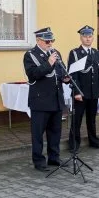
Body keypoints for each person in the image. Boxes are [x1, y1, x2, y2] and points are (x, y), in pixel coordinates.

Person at [24, 27, 69, 171]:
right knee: (38, 134)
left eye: (52, 40)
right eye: (47, 41)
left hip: (56, 99)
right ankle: (39, 161)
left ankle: (54, 158)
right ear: (38, 40)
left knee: (55, 132)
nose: (50, 43)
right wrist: (49, 63)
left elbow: (61, 72)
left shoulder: (56, 53)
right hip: (40, 101)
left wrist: (66, 78)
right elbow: (33, 74)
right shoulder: (30, 55)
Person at [67, 25, 99, 152]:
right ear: (81, 38)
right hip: (81, 93)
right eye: (85, 37)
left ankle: (94, 141)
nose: (88, 39)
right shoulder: (75, 53)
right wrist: (76, 92)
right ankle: (74, 144)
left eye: (90, 37)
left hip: (94, 92)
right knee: (76, 119)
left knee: (92, 119)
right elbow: (73, 74)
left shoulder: (96, 52)